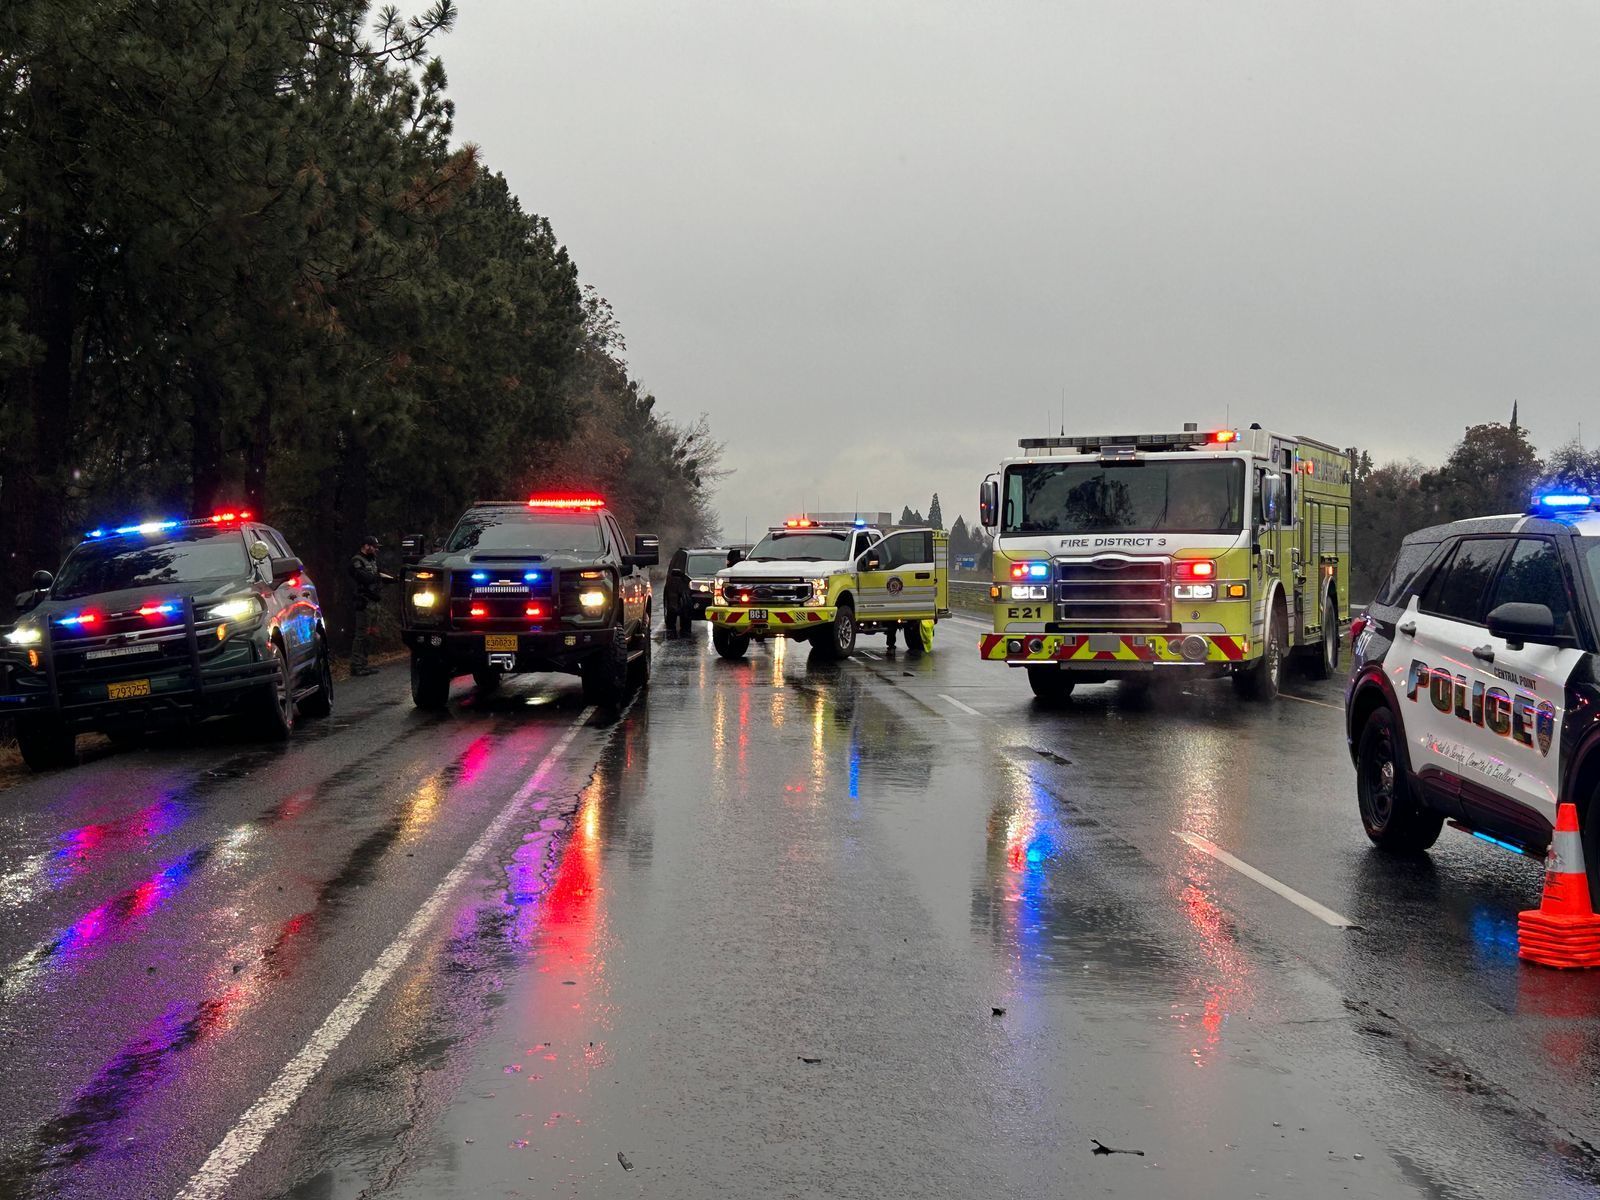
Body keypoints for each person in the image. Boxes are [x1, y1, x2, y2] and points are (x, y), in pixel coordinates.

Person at [349, 535, 390, 676]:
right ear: (366, 546)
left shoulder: (372, 561)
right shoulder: (356, 561)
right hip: (363, 602)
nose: (376, 550)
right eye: (373, 546)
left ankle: (363, 663)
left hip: (374, 602)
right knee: (361, 635)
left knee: (370, 634)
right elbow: (364, 578)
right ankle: (356, 665)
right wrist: (378, 577)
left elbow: (378, 575)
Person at [663, 548, 691, 636]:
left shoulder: (724, 575)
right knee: (679, 609)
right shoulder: (680, 576)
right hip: (686, 587)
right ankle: (674, 628)